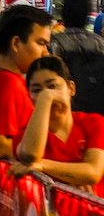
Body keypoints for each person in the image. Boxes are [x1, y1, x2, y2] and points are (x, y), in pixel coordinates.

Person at [0, 4, 54, 162]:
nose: (46, 52)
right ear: (16, 43)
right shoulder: (7, 83)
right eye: (41, 43)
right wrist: (48, 158)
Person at [15, 56, 104, 190]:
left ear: (71, 88)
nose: (46, 93)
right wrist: (45, 99)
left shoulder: (93, 122)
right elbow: (30, 155)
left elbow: (92, 172)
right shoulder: (26, 134)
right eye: (36, 90)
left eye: (53, 86)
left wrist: (43, 165)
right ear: (29, 96)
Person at [50, 0, 104, 117]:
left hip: (69, 112)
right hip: (99, 112)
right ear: (86, 15)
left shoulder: (55, 43)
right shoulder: (100, 43)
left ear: (64, 13)